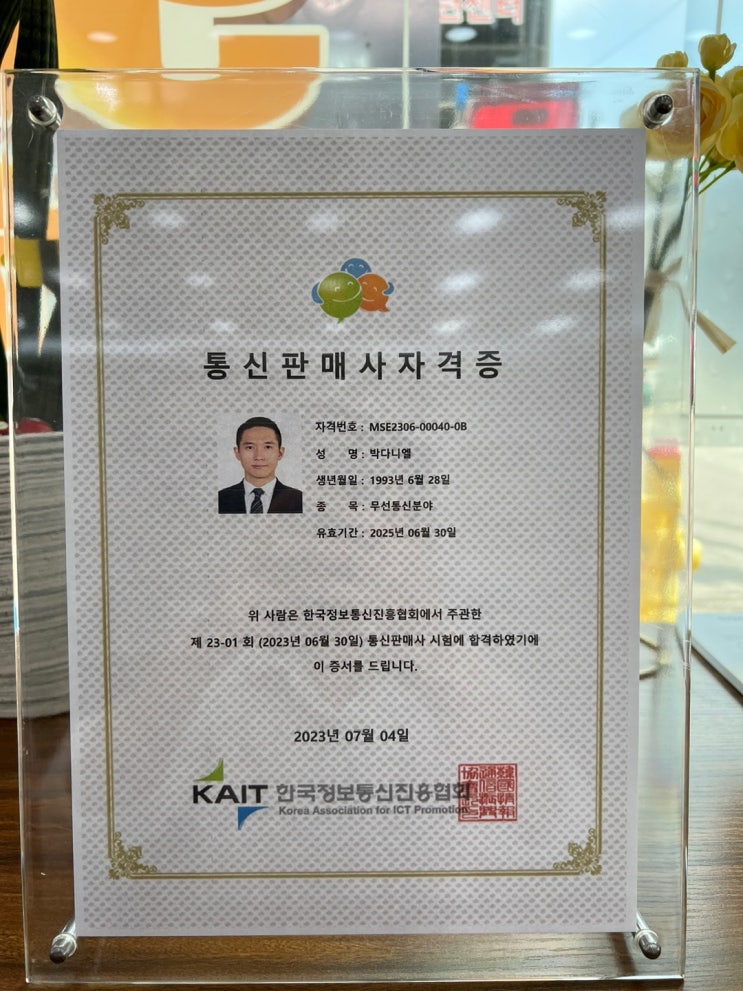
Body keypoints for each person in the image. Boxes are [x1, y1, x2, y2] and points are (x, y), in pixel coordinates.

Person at [218, 417, 302, 514]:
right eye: (250, 447)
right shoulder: (220, 499)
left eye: (268, 447)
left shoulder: (299, 500)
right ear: (237, 453)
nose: (259, 456)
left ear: (280, 453)